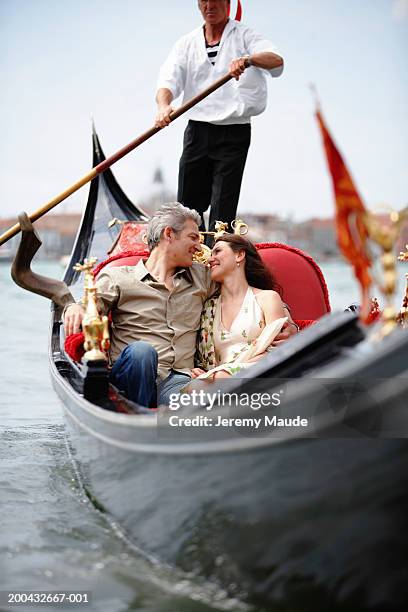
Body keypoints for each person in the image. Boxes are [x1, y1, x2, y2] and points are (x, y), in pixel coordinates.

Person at [63, 203, 297, 408]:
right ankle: (136, 419)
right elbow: (88, 308)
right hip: (133, 373)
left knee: (200, 394)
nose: (199, 247)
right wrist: (72, 306)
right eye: (193, 237)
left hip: (177, 380)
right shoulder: (118, 278)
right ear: (169, 234)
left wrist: (286, 320)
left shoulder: (201, 277)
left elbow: (244, 293)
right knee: (143, 352)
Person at [155, 0, 284, 233]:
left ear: (227, 3)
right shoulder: (186, 43)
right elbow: (168, 79)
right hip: (197, 131)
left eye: (215, 0)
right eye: (204, 0)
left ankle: (216, 259)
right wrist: (164, 106)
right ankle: (190, 261)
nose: (209, 6)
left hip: (234, 132)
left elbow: (276, 61)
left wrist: (248, 60)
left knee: (222, 213)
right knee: (186, 210)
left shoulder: (245, 36)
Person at [192, 234, 290, 381]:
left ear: (239, 255)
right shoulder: (208, 307)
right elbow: (204, 360)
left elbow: (278, 352)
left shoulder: (267, 298)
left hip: (260, 374)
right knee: (194, 387)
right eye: (211, 254)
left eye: (217, 251)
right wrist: (200, 371)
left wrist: (228, 373)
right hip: (217, 380)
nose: (210, 259)